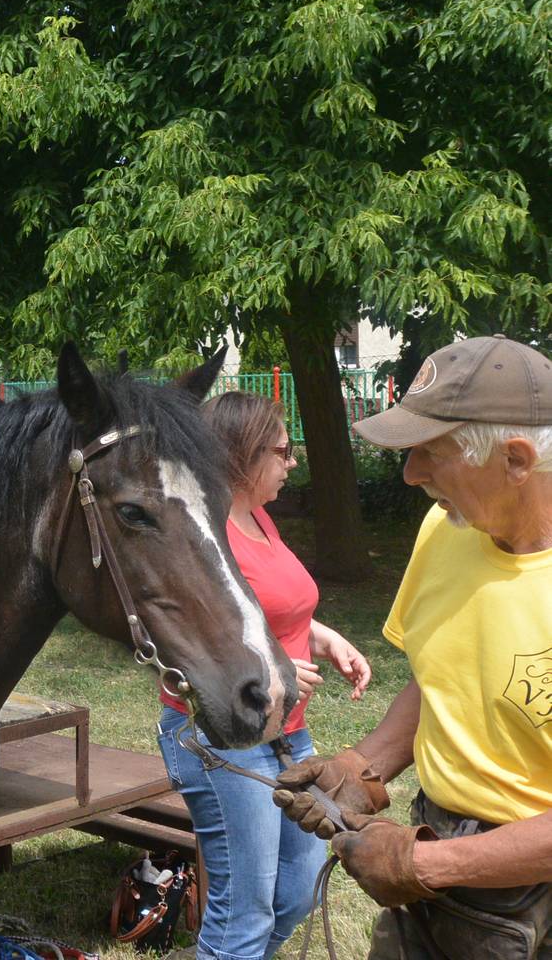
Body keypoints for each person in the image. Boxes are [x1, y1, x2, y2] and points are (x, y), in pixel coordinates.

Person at [273, 334, 552, 959]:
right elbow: (444, 679)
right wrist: (363, 767)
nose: (410, 474)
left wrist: (425, 865)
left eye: (432, 452)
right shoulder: (447, 528)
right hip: (439, 861)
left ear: (515, 459)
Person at [156, 391, 372, 960]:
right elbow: (177, 637)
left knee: (298, 891)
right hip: (222, 736)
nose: (292, 461)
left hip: (287, 733)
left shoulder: (256, 516)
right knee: (244, 914)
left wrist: (324, 637)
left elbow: (270, 610)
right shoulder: (200, 531)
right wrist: (267, 665)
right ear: (241, 453)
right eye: (282, 450)